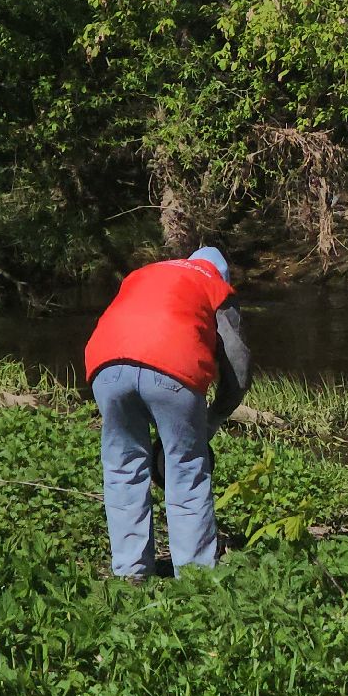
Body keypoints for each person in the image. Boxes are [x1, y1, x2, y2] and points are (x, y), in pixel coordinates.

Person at [84, 245, 252, 578]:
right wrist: (214, 418)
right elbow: (238, 364)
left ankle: (130, 573)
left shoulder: (144, 274)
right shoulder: (216, 285)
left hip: (105, 364)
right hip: (174, 366)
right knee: (186, 469)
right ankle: (194, 578)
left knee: (123, 467)